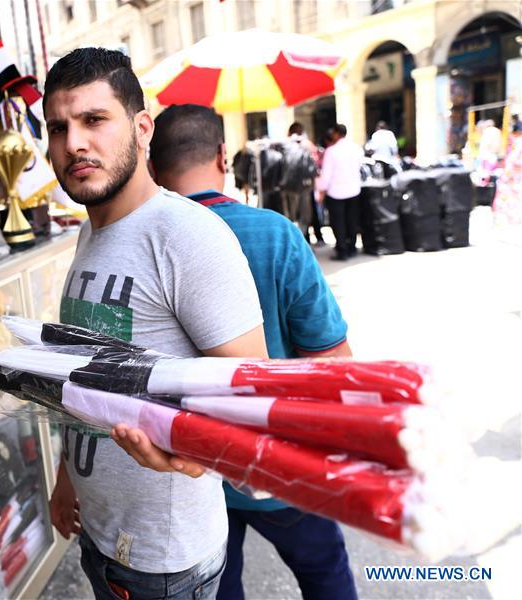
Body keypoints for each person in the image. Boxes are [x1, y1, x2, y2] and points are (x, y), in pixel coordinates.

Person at [43, 48, 267, 600]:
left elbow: (252, 392)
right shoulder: (91, 231)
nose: (73, 143)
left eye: (94, 120)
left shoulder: (188, 236)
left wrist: (193, 455)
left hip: (166, 562)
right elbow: (84, 377)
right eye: (58, 127)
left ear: (142, 128)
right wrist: (67, 475)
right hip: (103, 534)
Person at [150, 104, 357, 600]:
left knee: (222, 588)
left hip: (185, 473)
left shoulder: (145, 243)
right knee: (325, 573)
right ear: (224, 156)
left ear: (153, 169)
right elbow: (334, 361)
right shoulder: (274, 233)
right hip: (277, 462)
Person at [316, 124, 363, 261]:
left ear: (336, 134)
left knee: (338, 223)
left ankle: (342, 251)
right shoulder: (356, 148)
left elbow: (326, 175)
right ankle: (352, 248)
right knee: (352, 220)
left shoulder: (332, 151)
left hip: (336, 192)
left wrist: (321, 191)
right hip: (354, 190)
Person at [279, 122, 318, 241]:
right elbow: (313, 166)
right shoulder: (306, 145)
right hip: (303, 186)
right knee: (304, 217)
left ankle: (292, 240)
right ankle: (301, 241)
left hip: (285, 186)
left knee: (289, 216)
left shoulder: (283, 145)